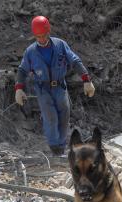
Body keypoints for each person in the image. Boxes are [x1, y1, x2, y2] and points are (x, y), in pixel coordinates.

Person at [15, 16, 95, 155]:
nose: (41, 39)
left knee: (64, 114)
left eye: (44, 35)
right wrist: (19, 89)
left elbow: (75, 61)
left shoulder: (60, 45)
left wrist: (87, 80)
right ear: (34, 35)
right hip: (43, 88)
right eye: (38, 37)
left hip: (59, 86)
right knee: (50, 117)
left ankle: (61, 147)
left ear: (49, 31)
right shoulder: (31, 52)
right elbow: (22, 70)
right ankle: (55, 149)